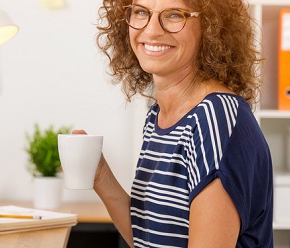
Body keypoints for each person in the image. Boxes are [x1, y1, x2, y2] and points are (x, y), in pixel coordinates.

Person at [75, 0, 273, 247]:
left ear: (211, 27)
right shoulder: (159, 116)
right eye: (140, 12)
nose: (151, 30)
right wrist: (100, 176)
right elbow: (150, 238)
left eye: (173, 15)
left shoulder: (215, 119)